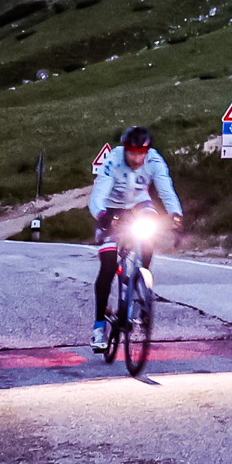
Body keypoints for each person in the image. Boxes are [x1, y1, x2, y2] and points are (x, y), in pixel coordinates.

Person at [88, 125, 183, 351]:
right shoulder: (113, 160)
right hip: (111, 208)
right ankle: (98, 328)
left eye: (141, 153)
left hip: (140, 204)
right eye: (132, 153)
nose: (137, 158)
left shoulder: (154, 160)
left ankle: (142, 285)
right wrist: (102, 217)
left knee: (149, 233)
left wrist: (176, 217)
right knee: (108, 266)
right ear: (126, 150)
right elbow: (98, 195)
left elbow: (165, 189)